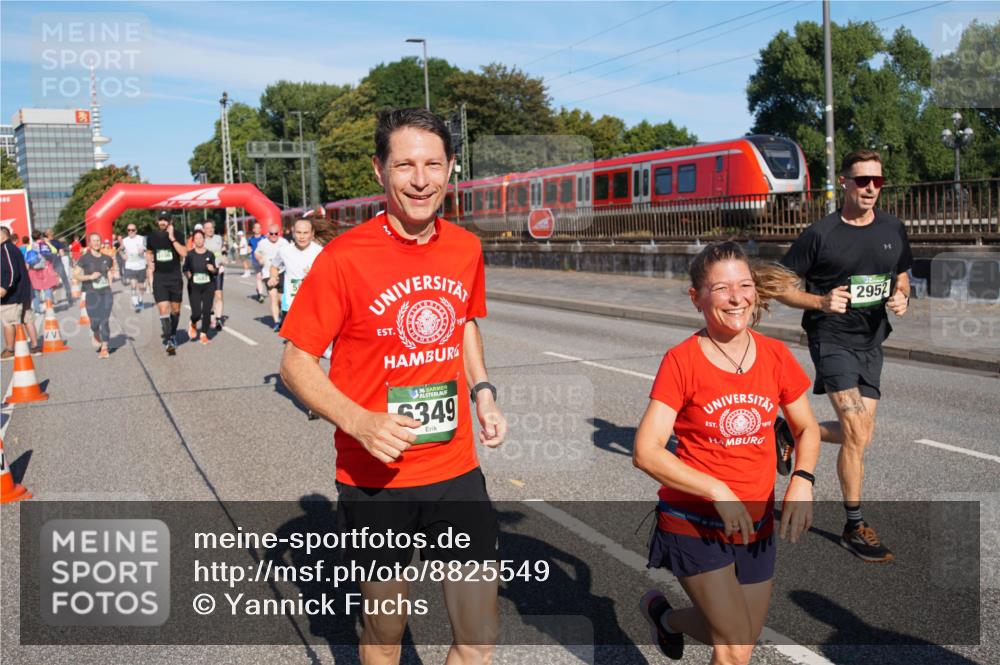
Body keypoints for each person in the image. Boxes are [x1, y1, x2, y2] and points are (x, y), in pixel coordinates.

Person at [279, 108, 507, 665]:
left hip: (455, 468)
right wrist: (359, 421)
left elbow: (463, 323)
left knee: (479, 638)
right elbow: (295, 363)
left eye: (433, 164)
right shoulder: (343, 258)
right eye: (405, 165)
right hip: (374, 477)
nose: (421, 179)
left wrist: (482, 391)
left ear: (452, 168)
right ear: (380, 170)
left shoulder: (464, 248)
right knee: (384, 633)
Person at [633, 241, 820, 664]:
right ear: (697, 297)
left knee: (739, 640)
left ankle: (667, 620)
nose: (737, 298)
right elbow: (646, 451)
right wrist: (717, 490)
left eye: (745, 285)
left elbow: (806, 428)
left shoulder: (775, 355)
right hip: (694, 521)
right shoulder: (681, 361)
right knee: (734, 647)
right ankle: (671, 621)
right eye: (721, 288)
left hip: (755, 523)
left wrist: (802, 481)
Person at [776, 149, 912, 563]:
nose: (871, 188)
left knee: (862, 435)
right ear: (845, 184)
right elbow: (779, 286)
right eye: (862, 180)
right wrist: (819, 301)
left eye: (878, 181)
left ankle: (790, 431)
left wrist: (903, 295)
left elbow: (902, 273)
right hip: (832, 340)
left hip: (872, 341)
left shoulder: (893, 227)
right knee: (855, 430)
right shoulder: (821, 234)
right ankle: (854, 525)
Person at [146, 211, 188, 355]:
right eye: (161, 220)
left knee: (175, 310)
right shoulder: (152, 237)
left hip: (175, 277)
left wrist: (172, 239)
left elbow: (184, 253)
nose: (163, 222)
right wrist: (149, 261)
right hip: (160, 278)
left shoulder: (178, 234)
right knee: (163, 309)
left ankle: (173, 333)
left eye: (166, 220)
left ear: (170, 221)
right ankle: (169, 339)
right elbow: (149, 252)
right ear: (157, 221)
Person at [270, 218, 322, 332]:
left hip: (312, 302)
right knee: (293, 337)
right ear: (293, 232)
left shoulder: (320, 252)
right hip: (290, 302)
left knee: (309, 335)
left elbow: (330, 275)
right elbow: (274, 266)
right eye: (298, 232)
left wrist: (315, 274)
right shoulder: (284, 250)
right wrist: (273, 277)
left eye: (305, 233)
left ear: (312, 234)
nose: (302, 236)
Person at [72, 232, 116, 359]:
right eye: (94, 240)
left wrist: (111, 281)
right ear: (89, 243)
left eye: (98, 240)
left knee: (105, 320)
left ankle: (105, 347)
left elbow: (110, 273)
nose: (96, 242)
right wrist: (89, 277)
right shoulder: (84, 258)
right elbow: (75, 275)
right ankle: (96, 333)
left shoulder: (107, 258)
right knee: (94, 323)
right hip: (91, 293)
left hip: (106, 293)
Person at [1, 226, 40, 358]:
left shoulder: (5, 249)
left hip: (12, 294)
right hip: (23, 291)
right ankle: (35, 346)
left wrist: (5, 287)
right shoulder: (13, 248)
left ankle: (10, 349)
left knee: (8, 322)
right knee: (27, 318)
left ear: (3, 235)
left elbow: (12, 271)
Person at [182, 229, 217, 345]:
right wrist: (188, 274)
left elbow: (215, 271)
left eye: (201, 238)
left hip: (208, 286)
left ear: (204, 239)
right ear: (193, 240)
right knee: (196, 313)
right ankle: (193, 323)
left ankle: (203, 334)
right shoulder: (190, 255)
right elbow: (185, 269)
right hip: (194, 286)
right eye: (196, 238)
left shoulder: (210, 254)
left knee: (207, 311)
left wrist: (213, 269)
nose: (199, 240)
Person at [254, 223, 289, 332]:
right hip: (267, 273)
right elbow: (256, 252)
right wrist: (259, 258)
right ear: (268, 234)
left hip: (282, 272)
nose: (274, 236)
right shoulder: (262, 243)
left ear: (279, 233)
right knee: (273, 297)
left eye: (276, 233)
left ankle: (283, 318)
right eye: (271, 233)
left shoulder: (284, 242)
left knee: (281, 299)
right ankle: (277, 322)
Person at [25, 232, 59, 315]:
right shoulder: (45, 244)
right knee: (48, 288)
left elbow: (27, 259)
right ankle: (49, 308)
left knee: (36, 290)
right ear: (40, 236)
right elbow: (54, 251)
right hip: (46, 268)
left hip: (34, 270)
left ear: (32, 238)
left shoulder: (30, 246)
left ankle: (37, 310)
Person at [201, 221, 226, 330]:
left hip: (218, 270)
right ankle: (211, 313)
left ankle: (218, 319)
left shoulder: (218, 238)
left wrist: (223, 257)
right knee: (208, 297)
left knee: (219, 295)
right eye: (207, 228)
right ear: (203, 230)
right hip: (205, 272)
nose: (210, 230)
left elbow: (222, 251)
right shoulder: (200, 240)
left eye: (212, 228)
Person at [120, 223, 148, 313]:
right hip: (130, 266)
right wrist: (122, 255)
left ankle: (140, 299)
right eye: (129, 230)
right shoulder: (124, 240)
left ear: (136, 230)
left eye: (132, 230)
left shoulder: (141, 238)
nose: (130, 232)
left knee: (141, 286)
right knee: (133, 284)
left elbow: (145, 248)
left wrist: (142, 250)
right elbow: (120, 250)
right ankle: (135, 303)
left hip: (141, 266)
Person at [43, 230, 73, 304]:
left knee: (50, 282)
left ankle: (50, 299)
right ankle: (69, 298)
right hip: (57, 262)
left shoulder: (44, 243)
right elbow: (62, 253)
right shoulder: (56, 242)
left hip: (49, 263)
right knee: (65, 280)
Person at [247, 222, 265, 302]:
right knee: (258, 277)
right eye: (256, 228)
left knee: (264, 277)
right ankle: (261, 295)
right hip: (255, 260)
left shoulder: (265, 238)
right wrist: (249, 250)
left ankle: (259, 289)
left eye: (259, 228)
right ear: (253, 229)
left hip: (265, 260)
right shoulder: (251, 239)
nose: (257, 229)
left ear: (261, 229)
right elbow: (249, 248)